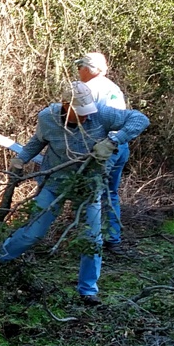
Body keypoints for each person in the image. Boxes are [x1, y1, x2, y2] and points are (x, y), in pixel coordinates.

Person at [0, 81, 149, 305]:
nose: (83, 117)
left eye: (86, 112)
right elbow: (37, 142)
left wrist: (113, 140)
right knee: (33, 232)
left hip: (89, 185)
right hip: (54, 183)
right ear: (65, 105)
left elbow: (140, 119)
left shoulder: (102, 115)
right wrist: (21, 159)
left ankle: (88, 291)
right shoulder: (47, 118)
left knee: (92, 238)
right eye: (79, 113)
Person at [75, 52, 129, 252]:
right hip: (120, 145)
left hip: (103, 149)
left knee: (93, 194)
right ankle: (112, 237)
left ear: (88, 68)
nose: (78, 70)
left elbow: (81, 123)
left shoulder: (86, 88)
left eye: (80, 66)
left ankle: (91, 240)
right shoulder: (112, 87)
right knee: (111, 193)